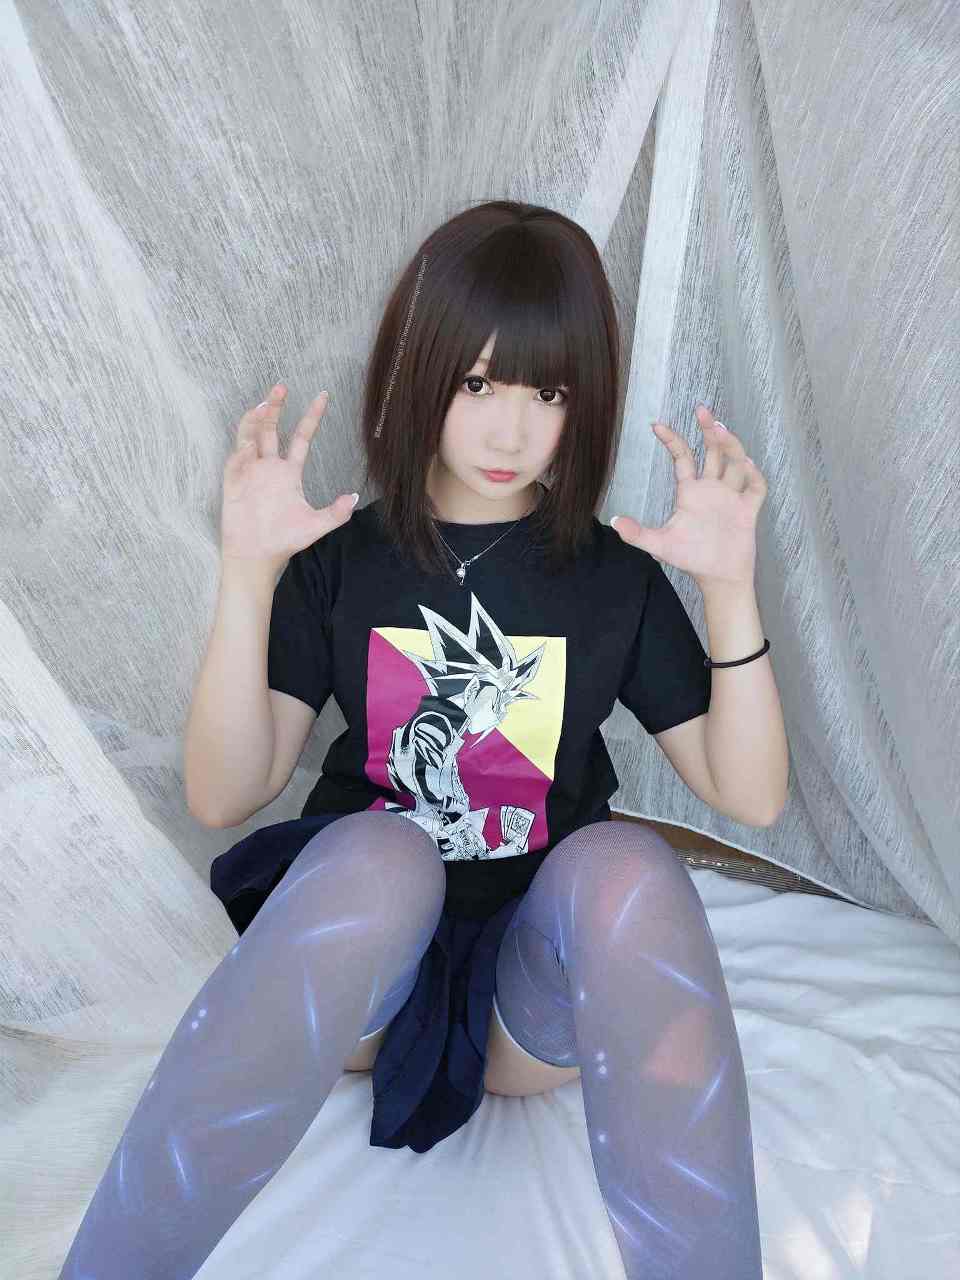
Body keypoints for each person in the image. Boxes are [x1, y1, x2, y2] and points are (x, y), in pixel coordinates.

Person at [58, 199, 763, 1278]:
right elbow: (222, 793)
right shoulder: (345, 557)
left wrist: (730, 589)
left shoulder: (612, 577)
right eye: (479, 384)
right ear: (419, 369)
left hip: (526, 1001)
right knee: (386, 854)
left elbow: (749, 793)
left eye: (548, 393)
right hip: (359, 982)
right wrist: (248, 572)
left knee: (629, 864)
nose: (511, 432)